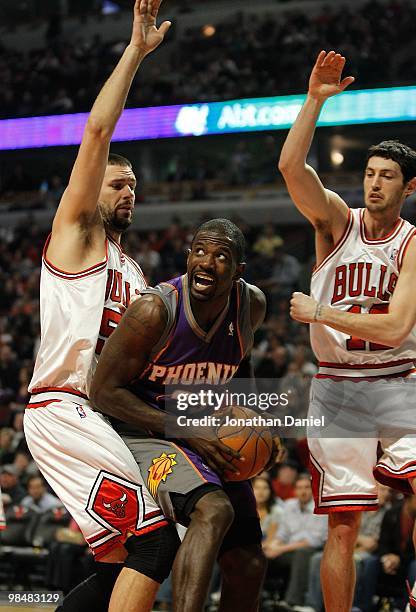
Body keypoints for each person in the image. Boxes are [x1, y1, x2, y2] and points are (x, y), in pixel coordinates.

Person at [24, 3, 179, 612]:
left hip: (106, 415)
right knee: (153, 546)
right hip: (64, 408)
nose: (129, 191)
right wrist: (135, 53)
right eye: (118, 183)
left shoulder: (133, 270)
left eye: (134, 186)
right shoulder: (75, 234)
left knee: (123, 560)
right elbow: (96, 133)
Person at [279, 49, 416, 612]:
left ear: (408, 188)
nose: (374, 183)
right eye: (369, 173)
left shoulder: (412, 243)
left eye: (387, 176)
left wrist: (322, 313)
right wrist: (313, 100)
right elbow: (291, 168)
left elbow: (396, 325)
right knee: (342, 523)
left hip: (398, 378)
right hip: (337, 385)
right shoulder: (336, 221)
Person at [91, 218, 284, 612]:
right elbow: (103, 392)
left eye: (220, 256)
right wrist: (185, 429)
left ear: (238, 271)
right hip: (145, 430)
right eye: (199, 251)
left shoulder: (252, 306)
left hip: (204, 428)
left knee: (247, 561)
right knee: (214, 510)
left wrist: (254, 420)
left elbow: (237, 369)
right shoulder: (153, 311)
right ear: (187, 256)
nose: (206, 263)